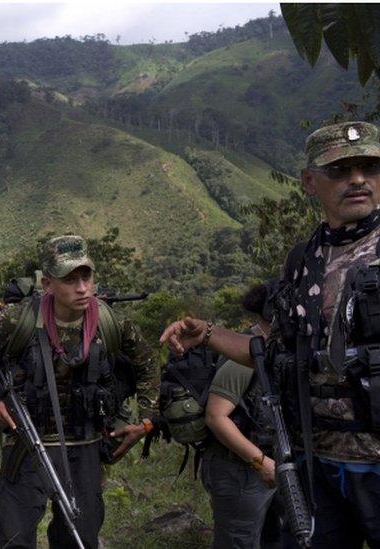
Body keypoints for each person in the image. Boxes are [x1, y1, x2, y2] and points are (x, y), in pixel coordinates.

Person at [161, 121, 380, 547]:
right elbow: (274, 352)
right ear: (310, 181)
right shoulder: (303, 260)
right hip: (315, 465)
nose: (357, 179)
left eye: (369, 167)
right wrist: (206, 333)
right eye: (340, 170)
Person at [0, 234, 160, 549]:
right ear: (48, 283)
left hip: (86, 447)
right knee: (15, 538)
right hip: (27, 445)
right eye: (69, 279)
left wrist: (146, 422)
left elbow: (148, 363)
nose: (81, 288)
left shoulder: (109, 321)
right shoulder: (18, 319)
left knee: (79, 538)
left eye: (86, 276)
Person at [202, 282, 282, 548]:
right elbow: (216, 416)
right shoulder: (248, 351)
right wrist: (261, 463)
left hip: (269, 465)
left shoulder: (278, 349)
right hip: (240, 471)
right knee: (239, 541)